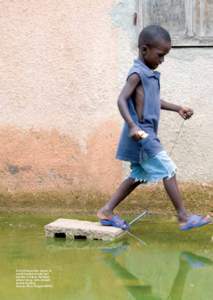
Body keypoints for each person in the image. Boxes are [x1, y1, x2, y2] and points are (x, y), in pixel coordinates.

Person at [97, 25, 211, 230]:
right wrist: (132, 126)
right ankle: (183, 216)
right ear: (144, 50)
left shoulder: (149, 74)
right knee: (168, 169)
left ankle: (106, 211)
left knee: (137, 176)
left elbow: (155, 100)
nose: (162, 60)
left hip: (145, 134)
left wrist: (178, 108)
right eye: (160, 55)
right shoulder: (136, 74)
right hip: (141, 135)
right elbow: (121, 99)